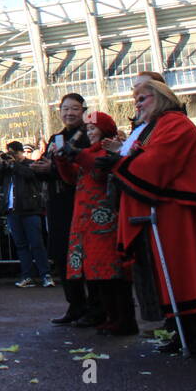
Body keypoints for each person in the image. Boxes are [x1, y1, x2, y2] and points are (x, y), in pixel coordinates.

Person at [108, 79, 196, 355]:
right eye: (136, 100)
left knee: (191, 273)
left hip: (185, 214)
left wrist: (121, 163)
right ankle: (185, 334)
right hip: (172, 212)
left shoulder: (174, 123)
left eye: (143, 98)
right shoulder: (158, 125)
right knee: (179, 275)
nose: (138, 104)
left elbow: (159, 161)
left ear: (161, 98)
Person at [54, 111, 136, 335]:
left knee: (112, 271)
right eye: (88, 129)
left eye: (93, 128)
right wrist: (62, 159)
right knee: (96, 273)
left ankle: (123, 319)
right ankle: (110, 317)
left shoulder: (108, 149)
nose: (89, 133)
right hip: (86, 220)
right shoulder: (89, 152)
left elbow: (99, 169)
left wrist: (75, 154)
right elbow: (71, 178)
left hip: (104, 218)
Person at [32, 92, 92, 323]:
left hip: (81, 200)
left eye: (74, 108)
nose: (69, 113)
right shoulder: (56, 137)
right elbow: (49, 165)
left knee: (84, 255)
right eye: (65, 108)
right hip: (57, 204)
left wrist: (53, 169)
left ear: (83, 110)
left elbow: (86, 165)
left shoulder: (87, 134)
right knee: (61, 254)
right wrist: (40, 169)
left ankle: (93, 307)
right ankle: (75, 305)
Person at [0, 141, 52, 288]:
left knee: (37, 243)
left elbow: (29, 175)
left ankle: (45, 274)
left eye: (13, 153)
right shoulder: (8, 168)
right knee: (21, 245)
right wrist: (1, 166)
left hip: (30, 210)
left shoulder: (30, 164)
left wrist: (14, 164)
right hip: (13, 210)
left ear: (19, 152)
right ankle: (27, 275)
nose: (11, 156)